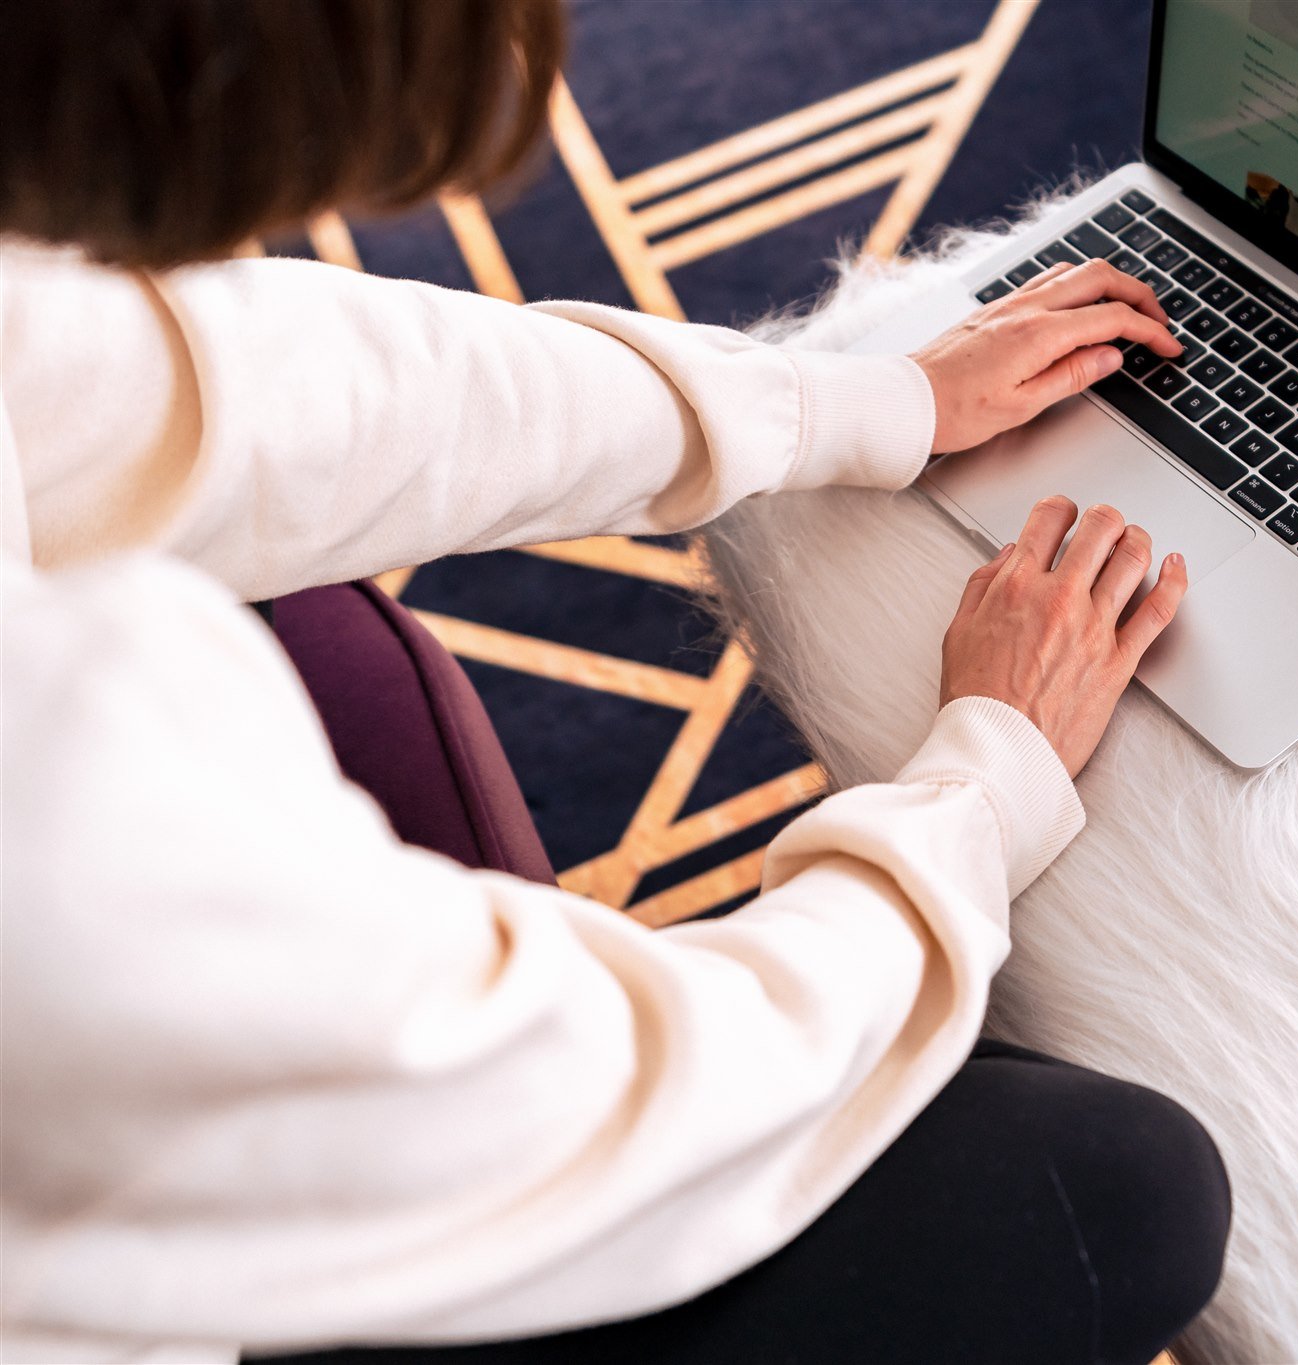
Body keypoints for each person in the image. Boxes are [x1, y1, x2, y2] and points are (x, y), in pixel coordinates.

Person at [0, 3, 1231, 1362]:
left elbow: (208, 385)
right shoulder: (71, 811)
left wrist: (845, 405)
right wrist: (981, 785)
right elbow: (623, 1105)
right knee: (1122, 1184)